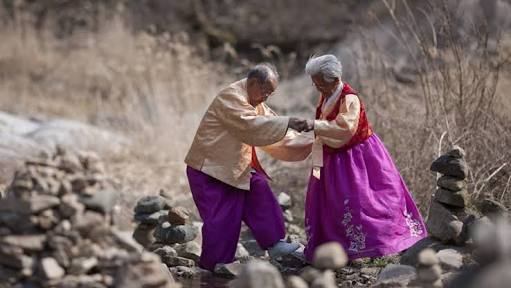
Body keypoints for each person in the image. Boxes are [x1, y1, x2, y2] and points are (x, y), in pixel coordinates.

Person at [184, 63, 313, 271]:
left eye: (270, 94)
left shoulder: (254, 101)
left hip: (234, 170)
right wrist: (287, 121)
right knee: (221, 221)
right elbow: (251, 126)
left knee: (259, 187)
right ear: (253, 83)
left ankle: (275, 243)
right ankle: (214, 268)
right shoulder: (231, 97)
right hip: (209, 170)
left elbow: (271, 128)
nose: (267, 97)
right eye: (266, 92)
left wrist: (310, 141)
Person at [302, 54, 427, 262]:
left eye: (320, 84)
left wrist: (314, 125)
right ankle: (341, 248)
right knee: (334, 202)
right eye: (315, 84)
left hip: (358, 157)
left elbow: (345, 127)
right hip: (334, 157)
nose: (317, 89)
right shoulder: (327, 94)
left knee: (365, 200)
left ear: (334, 80)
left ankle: (382, 243)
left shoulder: (350, 98)